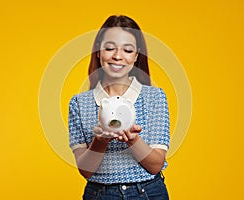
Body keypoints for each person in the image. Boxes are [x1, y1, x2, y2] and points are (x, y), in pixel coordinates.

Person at [68, 15, 170, 200]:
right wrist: (100, 141)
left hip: (148, 193)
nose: (117, 56)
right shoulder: (79, 103)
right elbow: (86, 171)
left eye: (127, 50)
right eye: (109, 48)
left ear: (136, 55)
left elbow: (155, 165)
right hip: (100, 194)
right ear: (99, 51)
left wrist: (133, 140)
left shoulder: (155, 97)